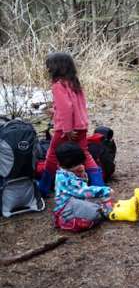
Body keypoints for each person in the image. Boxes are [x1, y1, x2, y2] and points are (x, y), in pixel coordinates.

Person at [38, 52, 105, 196]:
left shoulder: (58, 85)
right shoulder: (74, 83)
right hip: (81, 126)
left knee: (52, 155)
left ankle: (43, 188)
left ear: (57, 67)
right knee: (84, 154)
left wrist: (67, 129)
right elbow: (75, 107)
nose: (48, 69)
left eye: (49, 66)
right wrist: (56, 112)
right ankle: (99, 185)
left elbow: (67, 108)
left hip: (66, 129)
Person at [52, 142, 139, 232]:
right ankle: (116, 213)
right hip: (67, 210)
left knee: (97, 200)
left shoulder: (68, 172)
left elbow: (81, 186)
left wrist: (82, 175)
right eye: (78, 163)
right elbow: (83, 191)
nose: (81, 165)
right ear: (70, 164)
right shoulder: (64, 178)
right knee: (95, 210)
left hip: (76, 202)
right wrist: (103, 191)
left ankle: (123, 205)